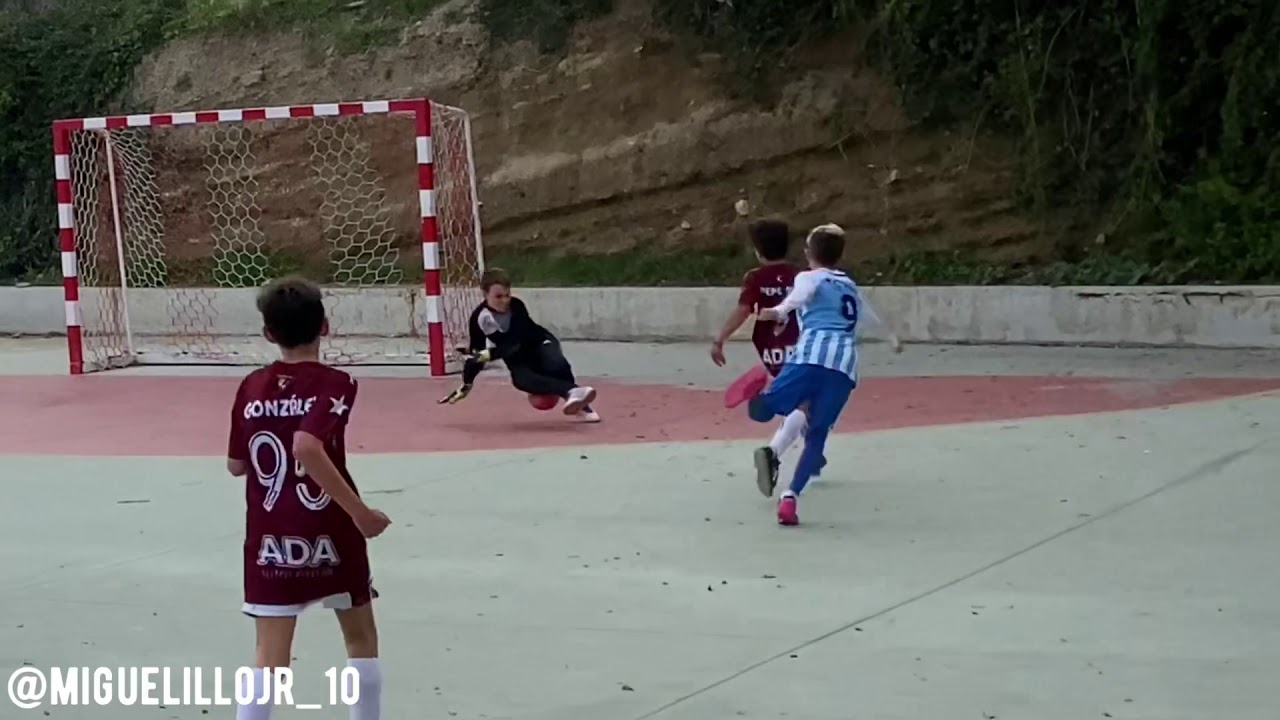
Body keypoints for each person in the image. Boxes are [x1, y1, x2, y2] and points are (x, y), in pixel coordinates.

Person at [226, 276, 390, 719]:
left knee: (269, 656)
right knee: (360, 641)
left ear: (268, 334)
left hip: (270, 537)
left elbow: (237, 465)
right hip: (331, 530)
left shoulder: (251, 387)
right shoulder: (337, 382)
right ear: (325, 326)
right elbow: (306, 445)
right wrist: (362, 515)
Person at [750, 223, 902, 526]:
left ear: (809, 253)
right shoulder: (848, 284)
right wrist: (890, 338)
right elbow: (869, 316)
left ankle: (759, 406)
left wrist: (776, 312)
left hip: (810, 357)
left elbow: (797, 298)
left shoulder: (809, 277)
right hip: (843, 367)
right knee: (817, 434)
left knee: (763, 409)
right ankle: (790, 497)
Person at [709, 218, 809, 493]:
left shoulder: (754, 278)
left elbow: (743, 310)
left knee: (799, 401)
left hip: (770, 349)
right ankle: (775, 452)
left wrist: (720, 339)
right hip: (802, 345)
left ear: (757, 251)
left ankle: (810, 454)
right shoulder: (801, 276)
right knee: (807, 401)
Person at [439, 268, 599, 422]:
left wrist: (488, 355)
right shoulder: (479, 319)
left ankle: (579, 403)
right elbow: (477, 354)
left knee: (555, 363)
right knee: (521, 380)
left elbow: (515, 343)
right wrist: (467, 383)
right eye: (498, 296)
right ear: (485, 294)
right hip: (515, 356)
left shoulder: (517, 306)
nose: (504, 301)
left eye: (507, 295)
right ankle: (573, 392)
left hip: (538, 341)